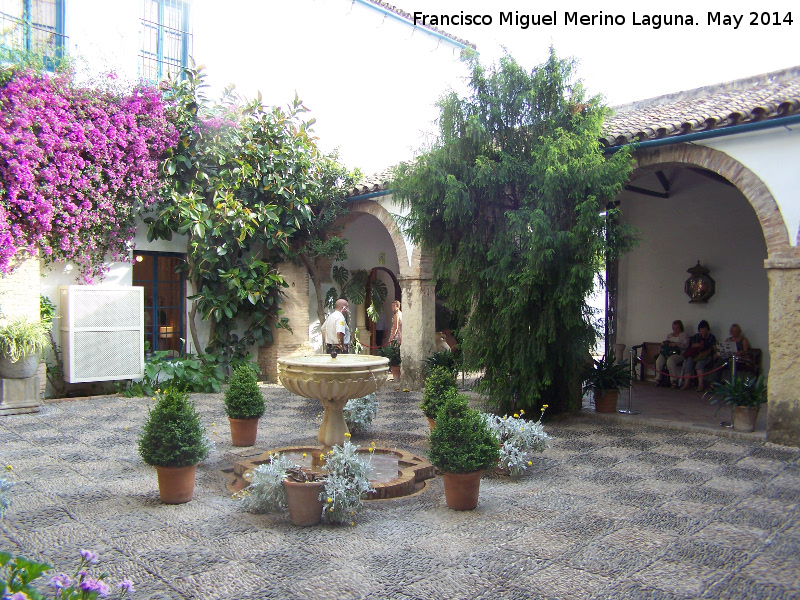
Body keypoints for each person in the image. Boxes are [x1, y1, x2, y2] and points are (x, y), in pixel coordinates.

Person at [681, 320, 717, 391]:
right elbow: (691, 346)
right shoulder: (696, 336)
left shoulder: (711, 337)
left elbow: (714, 347)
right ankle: (686, 383)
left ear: (707, 329)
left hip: (706, 356)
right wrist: (697, 345)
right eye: (701, 329)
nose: (703, 331)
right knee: (688, 362)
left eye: (705, 329)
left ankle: (700, 385)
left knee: (699, 364)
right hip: (696, 355)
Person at [653, 319, 690, 388]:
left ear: (680, 328)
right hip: (668, 352)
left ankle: (674, 380)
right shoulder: (670, 335)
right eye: (674, 328)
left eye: (677, 328)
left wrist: (676, 344)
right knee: (659, 360)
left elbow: (686, 345)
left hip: (678, 354)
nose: (675, 330)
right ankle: (658, 378)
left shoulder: (684, 335)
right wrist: (665, 343)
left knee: (670, 361)